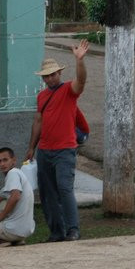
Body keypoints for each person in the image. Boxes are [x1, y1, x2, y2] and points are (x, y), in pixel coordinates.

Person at [25, 39, 89, 242]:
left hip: (65, 149)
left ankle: (73, 229)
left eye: (53, 74)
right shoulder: (42, 96)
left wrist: (79, 60)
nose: (51, 78)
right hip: (44, 150)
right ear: (43, 78)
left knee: (64, 188)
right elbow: (38, 121)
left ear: (59, 73)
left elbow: (81, 81)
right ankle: (56, 232)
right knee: (47, 193)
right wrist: (31, 147)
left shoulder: (69, 90)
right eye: (47, 76)